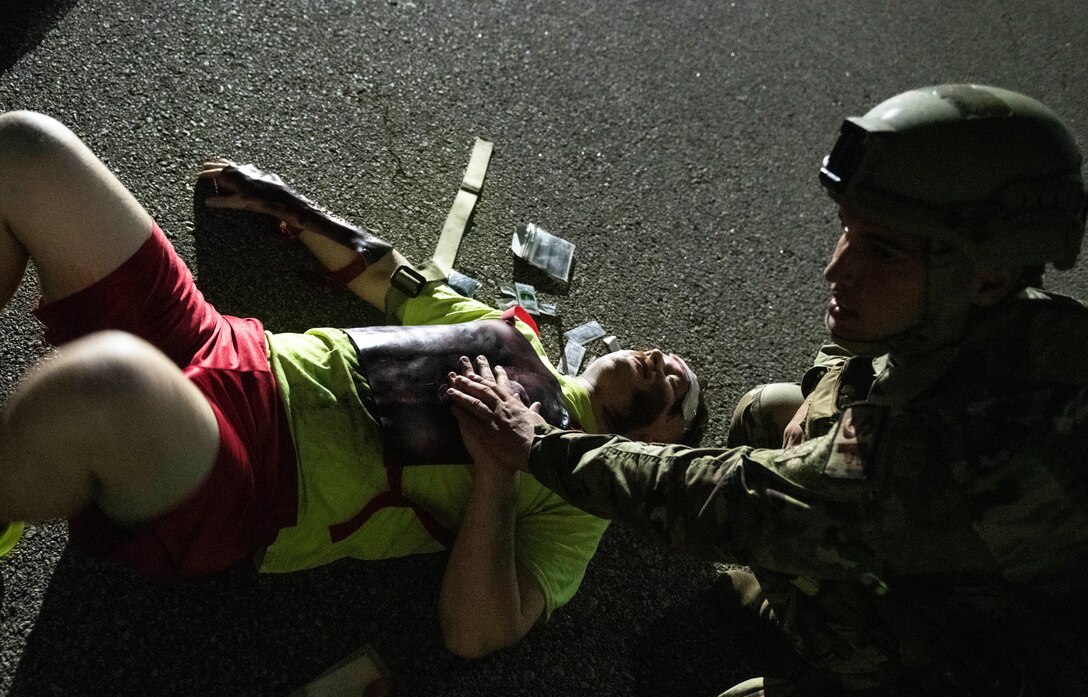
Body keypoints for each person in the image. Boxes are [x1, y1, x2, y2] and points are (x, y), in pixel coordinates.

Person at [447, 83, 1088, 697]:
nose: (838, 270)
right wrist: (826, 389)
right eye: (848, 231)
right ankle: (817, 604)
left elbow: (728, 499)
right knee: (769, 413)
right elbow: (868, 359)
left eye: (884, 253)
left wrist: (537, 446)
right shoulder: (1006, 318)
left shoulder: (966, 459)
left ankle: (841, 660)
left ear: (988, 276)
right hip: (943, 571)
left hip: (981, 684)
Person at [0, 110, 706, 658]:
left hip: (251, 474)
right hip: (224, 342)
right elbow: (385, 275)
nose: (671, 369)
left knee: (99, 386)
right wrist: (285, 203)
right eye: (673, 360)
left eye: (685, 399)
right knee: (26, 151)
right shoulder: (512, 332)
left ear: (663, 443)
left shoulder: (581, 501)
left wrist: (497, 475)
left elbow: (478, 633)